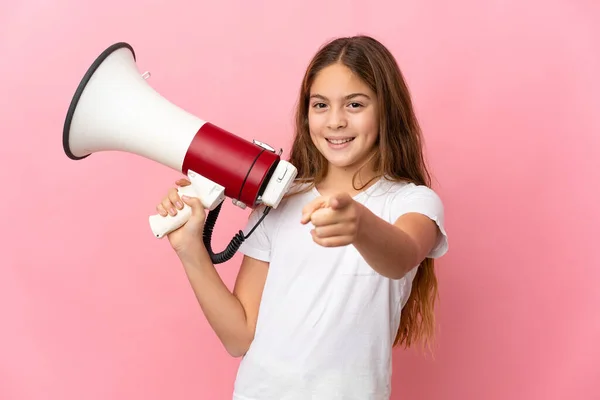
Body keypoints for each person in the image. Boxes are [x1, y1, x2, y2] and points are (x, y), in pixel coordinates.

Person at [156, 35, 449, 400]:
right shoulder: (280, 201)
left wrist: (360, 224)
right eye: (321, 105)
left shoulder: (413, 202)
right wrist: (189, 248)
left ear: (387, 110)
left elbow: (402, 255)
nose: (336, 121)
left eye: (355, 104)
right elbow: (239, 337)